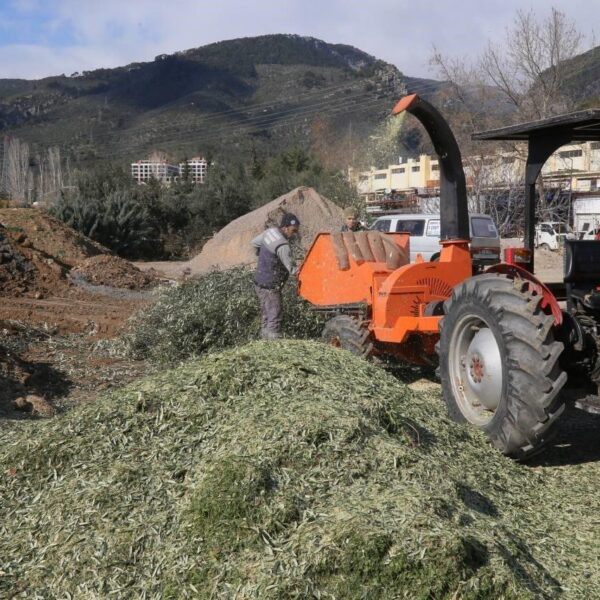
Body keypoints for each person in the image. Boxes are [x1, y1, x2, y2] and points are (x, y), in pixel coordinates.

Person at [251, 213, 300, 339]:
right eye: (293, 231)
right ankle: (274, 346)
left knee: (265, 315)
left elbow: (254, 243)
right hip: (271, 286)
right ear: (285, 228)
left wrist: (265, 257)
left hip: (259, 282)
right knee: (275, 315)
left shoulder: (270, 232)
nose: (294, 234)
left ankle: (263, 343)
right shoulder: (283, 245)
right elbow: (293, 270)